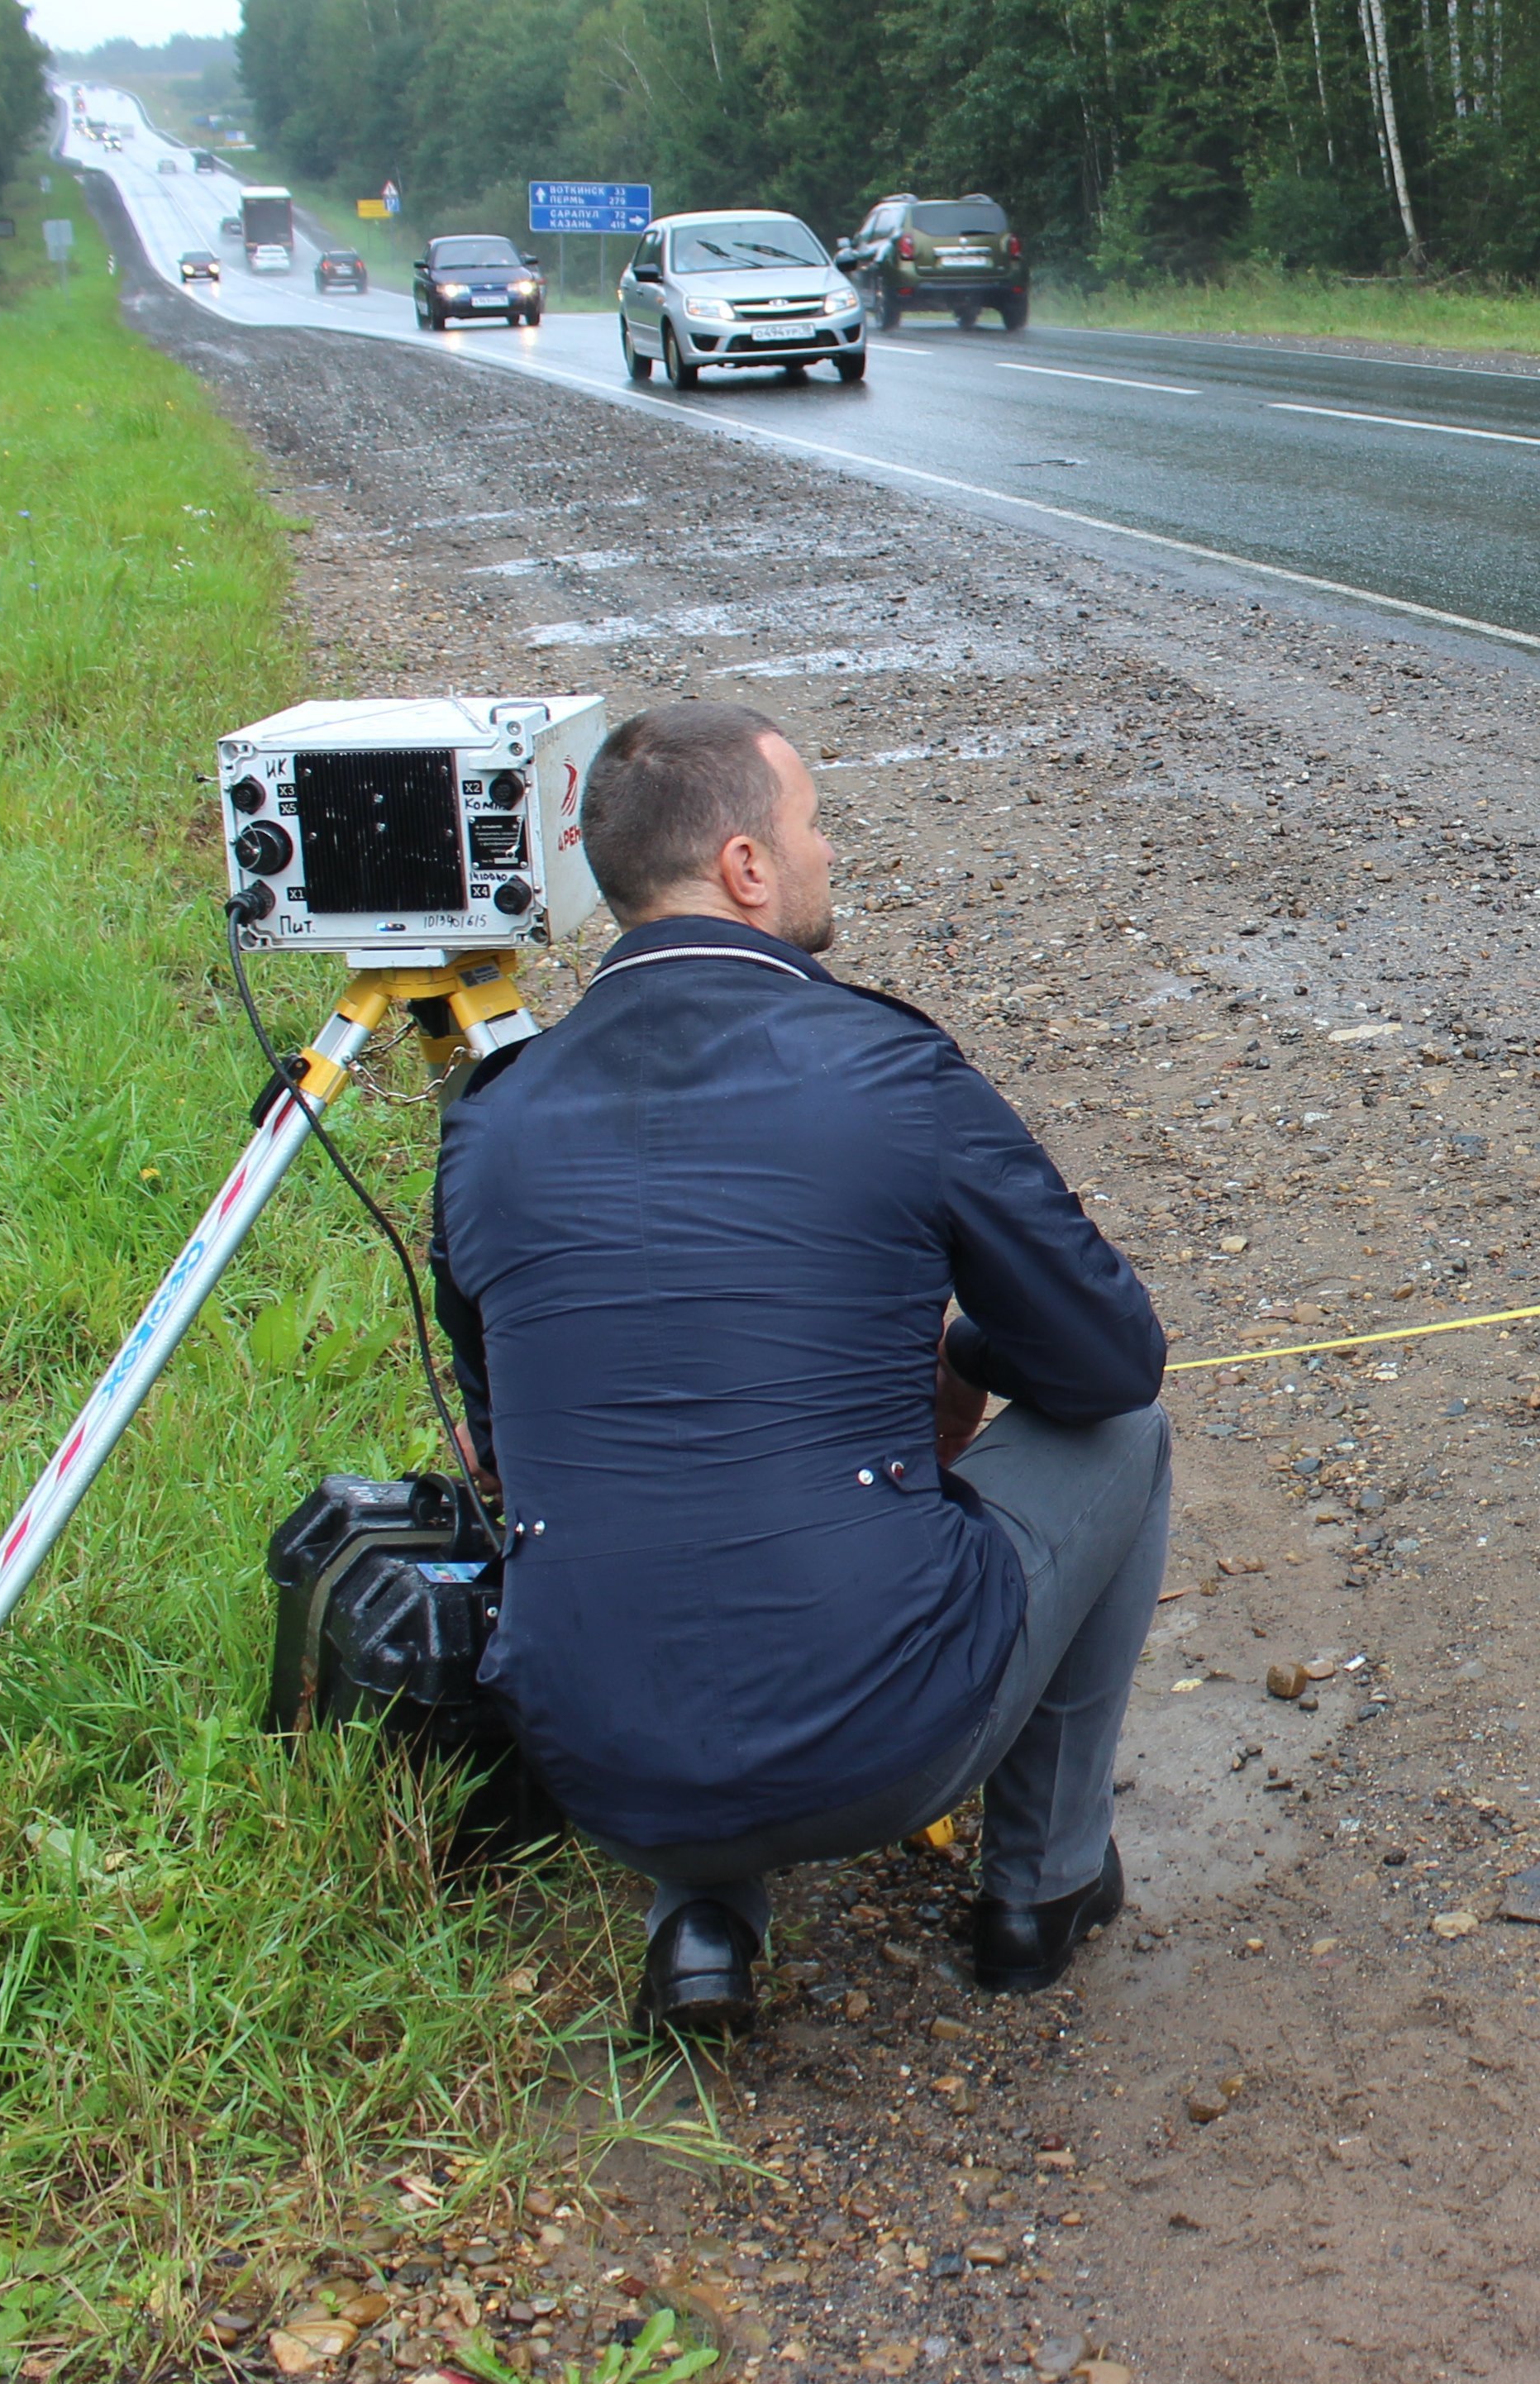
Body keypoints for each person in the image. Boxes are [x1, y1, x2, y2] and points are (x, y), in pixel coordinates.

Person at [431, 701, 1171, 2038]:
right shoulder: (888, 1067)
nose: (829, 851)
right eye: (813, 823)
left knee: (612, 1466)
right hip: (881, 1740)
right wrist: (956, 1349)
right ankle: (1040, 1890)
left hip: (592, 1760)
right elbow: (1110, 1358)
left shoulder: (487, 1123)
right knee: (1128, 1439)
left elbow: (500, 1445)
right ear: (746, 868)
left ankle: (701, 1917)